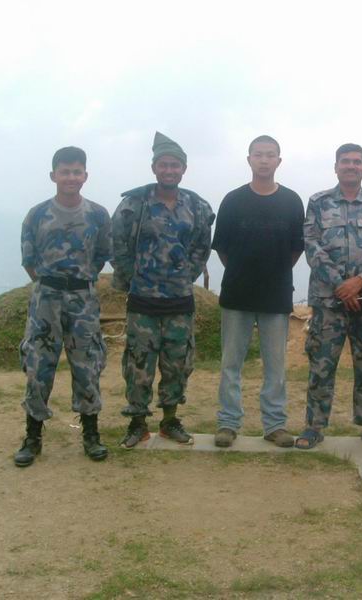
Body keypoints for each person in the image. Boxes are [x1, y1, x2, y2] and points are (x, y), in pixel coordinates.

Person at [111, 132, 214, 448]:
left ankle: (170, 421)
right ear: (154, 167)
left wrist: (185, 276)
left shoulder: (197, 206)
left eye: (175, 165)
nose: (169, 170)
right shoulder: (134, 204)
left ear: (184, 169)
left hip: (179, 302)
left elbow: (202, 246)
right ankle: (137, 424)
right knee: (138, 365)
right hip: (142, 301)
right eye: (164, 165)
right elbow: (117, 245)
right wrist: (134, 278)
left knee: (177, 364)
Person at [15, 146, 111, 467]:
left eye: (77, 171)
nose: (71, 177)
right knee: (38, 365)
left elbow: (101, 256)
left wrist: (77, 282)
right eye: (65, 171)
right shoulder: (37, 215)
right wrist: (51, 285)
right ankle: (32, 436)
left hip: (83, 300)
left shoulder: (98, 215)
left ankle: (91, 434)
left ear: (85, 175)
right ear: (53, 175)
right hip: (46, 299)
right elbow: (29, 260)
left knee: (87, 365)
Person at [296, 143, 362, 450]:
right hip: (329, 301)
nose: (351, 166)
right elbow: (311, 245)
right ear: (336, 167)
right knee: (322, 364)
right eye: (345, 161)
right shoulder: (318, 202)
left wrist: (360, 281)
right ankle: (314, 426)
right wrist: (341, 284)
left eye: (357, 161)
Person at [211, 135, 305, 448]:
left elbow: (296, 248)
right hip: (237, 293)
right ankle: (228, 423)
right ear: (249, 159)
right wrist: (242, 272)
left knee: (275, 367)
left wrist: (275, 273)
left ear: (279, 160)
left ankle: (274, 425)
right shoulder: (232, 200)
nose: (264, 160)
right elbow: (222, 247)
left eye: (270, 155)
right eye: (258, 154)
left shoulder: (292, 201)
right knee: (230, 364)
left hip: (276, 294)